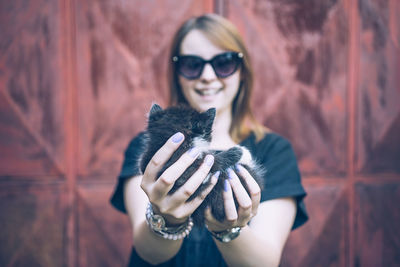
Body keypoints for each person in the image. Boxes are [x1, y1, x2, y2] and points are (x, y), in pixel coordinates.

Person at [110, 13, 308, 267]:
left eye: (223, 63)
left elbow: (264, 262)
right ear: (177, 73)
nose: (207, 75)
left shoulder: (273, 151)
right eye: (192, 64)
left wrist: (228, 230)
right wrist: (166, 220)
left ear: (242, 71)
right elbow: (149, 251)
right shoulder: (148, 145)